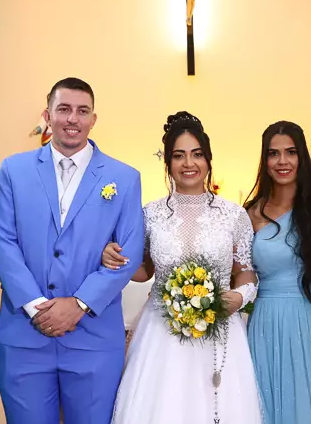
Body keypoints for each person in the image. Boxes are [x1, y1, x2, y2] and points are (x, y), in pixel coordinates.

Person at [0, 77, 145, 424]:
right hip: (25, 335)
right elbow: (2, 241)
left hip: (93, 338)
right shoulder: (14, 170)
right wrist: (36, 306)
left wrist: (79, 304)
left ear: (93, 119)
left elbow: (129, 252)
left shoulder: (124, 177)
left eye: (82, 111)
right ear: (47, 116)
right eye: (63, 109)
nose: (72, 119)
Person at [100, 111, 263, 424]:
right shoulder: (150, 214)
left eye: (197, 154)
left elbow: (245, 271)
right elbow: (144, 271)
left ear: (208, 159)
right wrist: (110, 255)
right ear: (168, 163)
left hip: (219, 328)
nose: (189, 163)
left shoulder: (233, 215)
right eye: (179, 155)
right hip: (162, 330)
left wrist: (240, 296)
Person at [242, 121, 311, 424]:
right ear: (265, 160)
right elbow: (239, 276)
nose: (283, 161)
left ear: (302, 157)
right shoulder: (250, 213)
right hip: (266, 328)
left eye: (291, 152)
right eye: (274, 153)